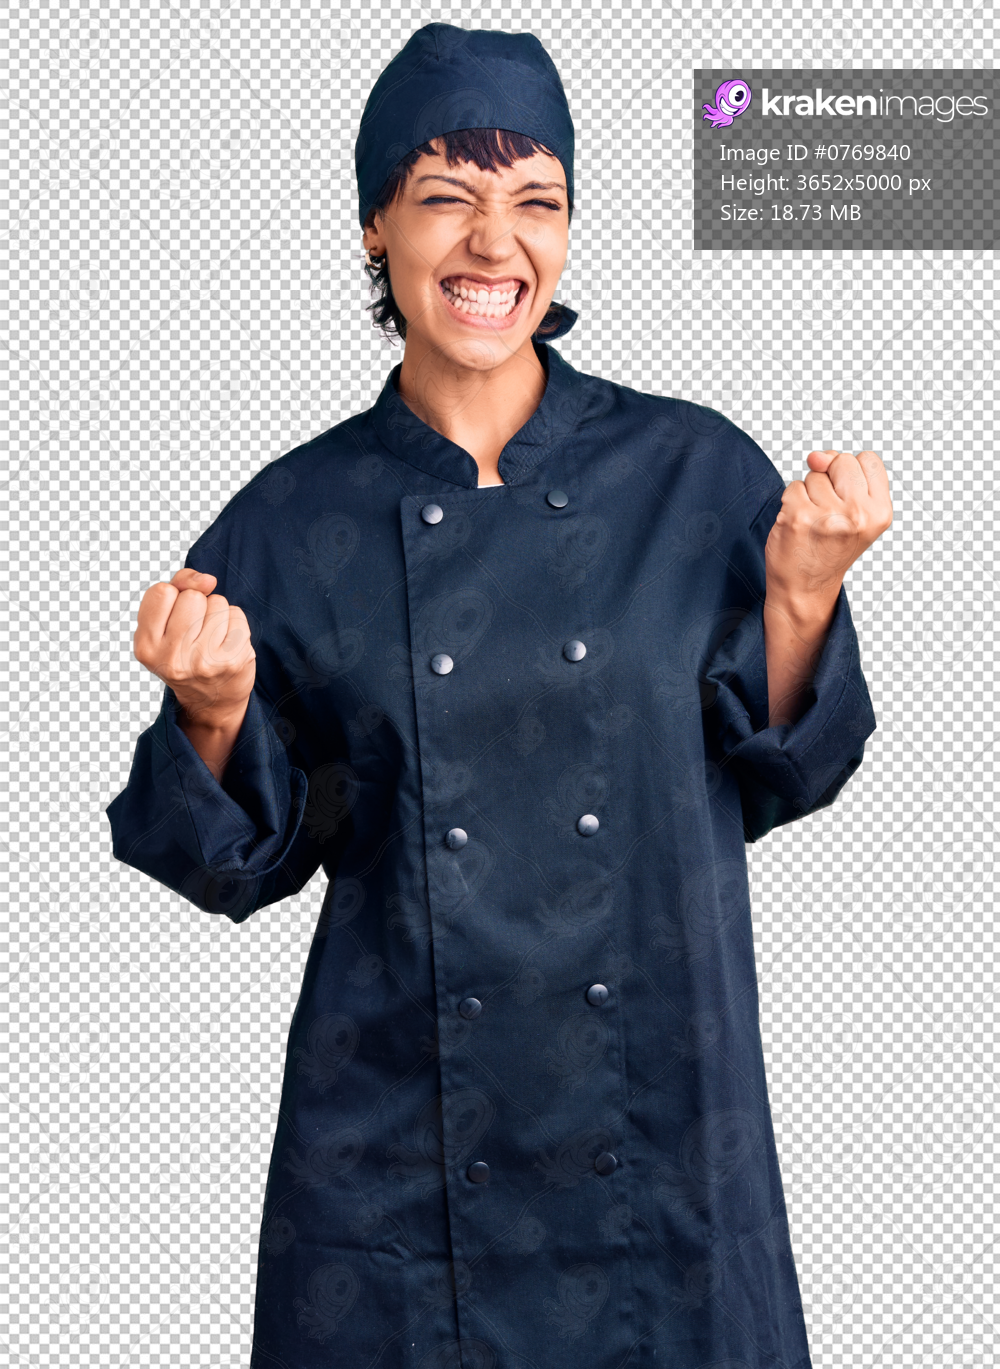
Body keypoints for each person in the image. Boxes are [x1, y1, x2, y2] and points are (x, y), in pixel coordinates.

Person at [105, 22, 892, 1369]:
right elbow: (237, 861)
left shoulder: (697, 475)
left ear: (570, 232)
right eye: (445, 198)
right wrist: (215, 711)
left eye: (537, 202)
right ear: (374, 230)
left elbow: (785, 775)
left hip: (661, 1140)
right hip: (399, 1169)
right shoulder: (293, 517)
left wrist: (803, 597)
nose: (493, 243)